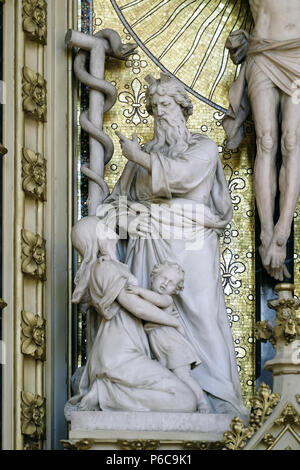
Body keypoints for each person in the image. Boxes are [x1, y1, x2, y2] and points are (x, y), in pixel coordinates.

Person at [101, 73, 249, 420]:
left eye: (166, 105)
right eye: (154, 107)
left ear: (182, 106)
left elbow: (182, 176)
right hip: (147, 246)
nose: (160, 114)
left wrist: (139, 157)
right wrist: (119, 218)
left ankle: (217, 394)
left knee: (201, 315)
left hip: (192, 247)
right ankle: (158, 393)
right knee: (147, 318)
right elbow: (118, 201)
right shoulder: (146, 153)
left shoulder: (202, 147)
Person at [68, 216, 198, 413]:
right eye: (106, 230)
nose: (112, 235)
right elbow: (135, 307)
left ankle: (107, 393)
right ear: (97, 238)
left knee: (183, 397)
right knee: (185, 400)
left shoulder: (109, 266)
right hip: (120, 356)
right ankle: (105, 393)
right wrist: (173, 322)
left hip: (124, 353)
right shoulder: (105, 267)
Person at [223, 0, 300, 281]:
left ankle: (283, 230)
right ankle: (266, 230)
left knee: (291, 142)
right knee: (266, 142)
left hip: (297, 54)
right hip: (262, 54)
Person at [126, 261, 210, 413]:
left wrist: (139, 291)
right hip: (162, 347)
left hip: (173, 345)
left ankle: (201, 403)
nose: (165, 284)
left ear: (176, 289)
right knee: (172, 378)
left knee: (183, 376)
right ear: (154, 276)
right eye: (163, 278)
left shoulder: (166, 300)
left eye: (171, 283)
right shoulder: (150, 300)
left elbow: (156, 300)